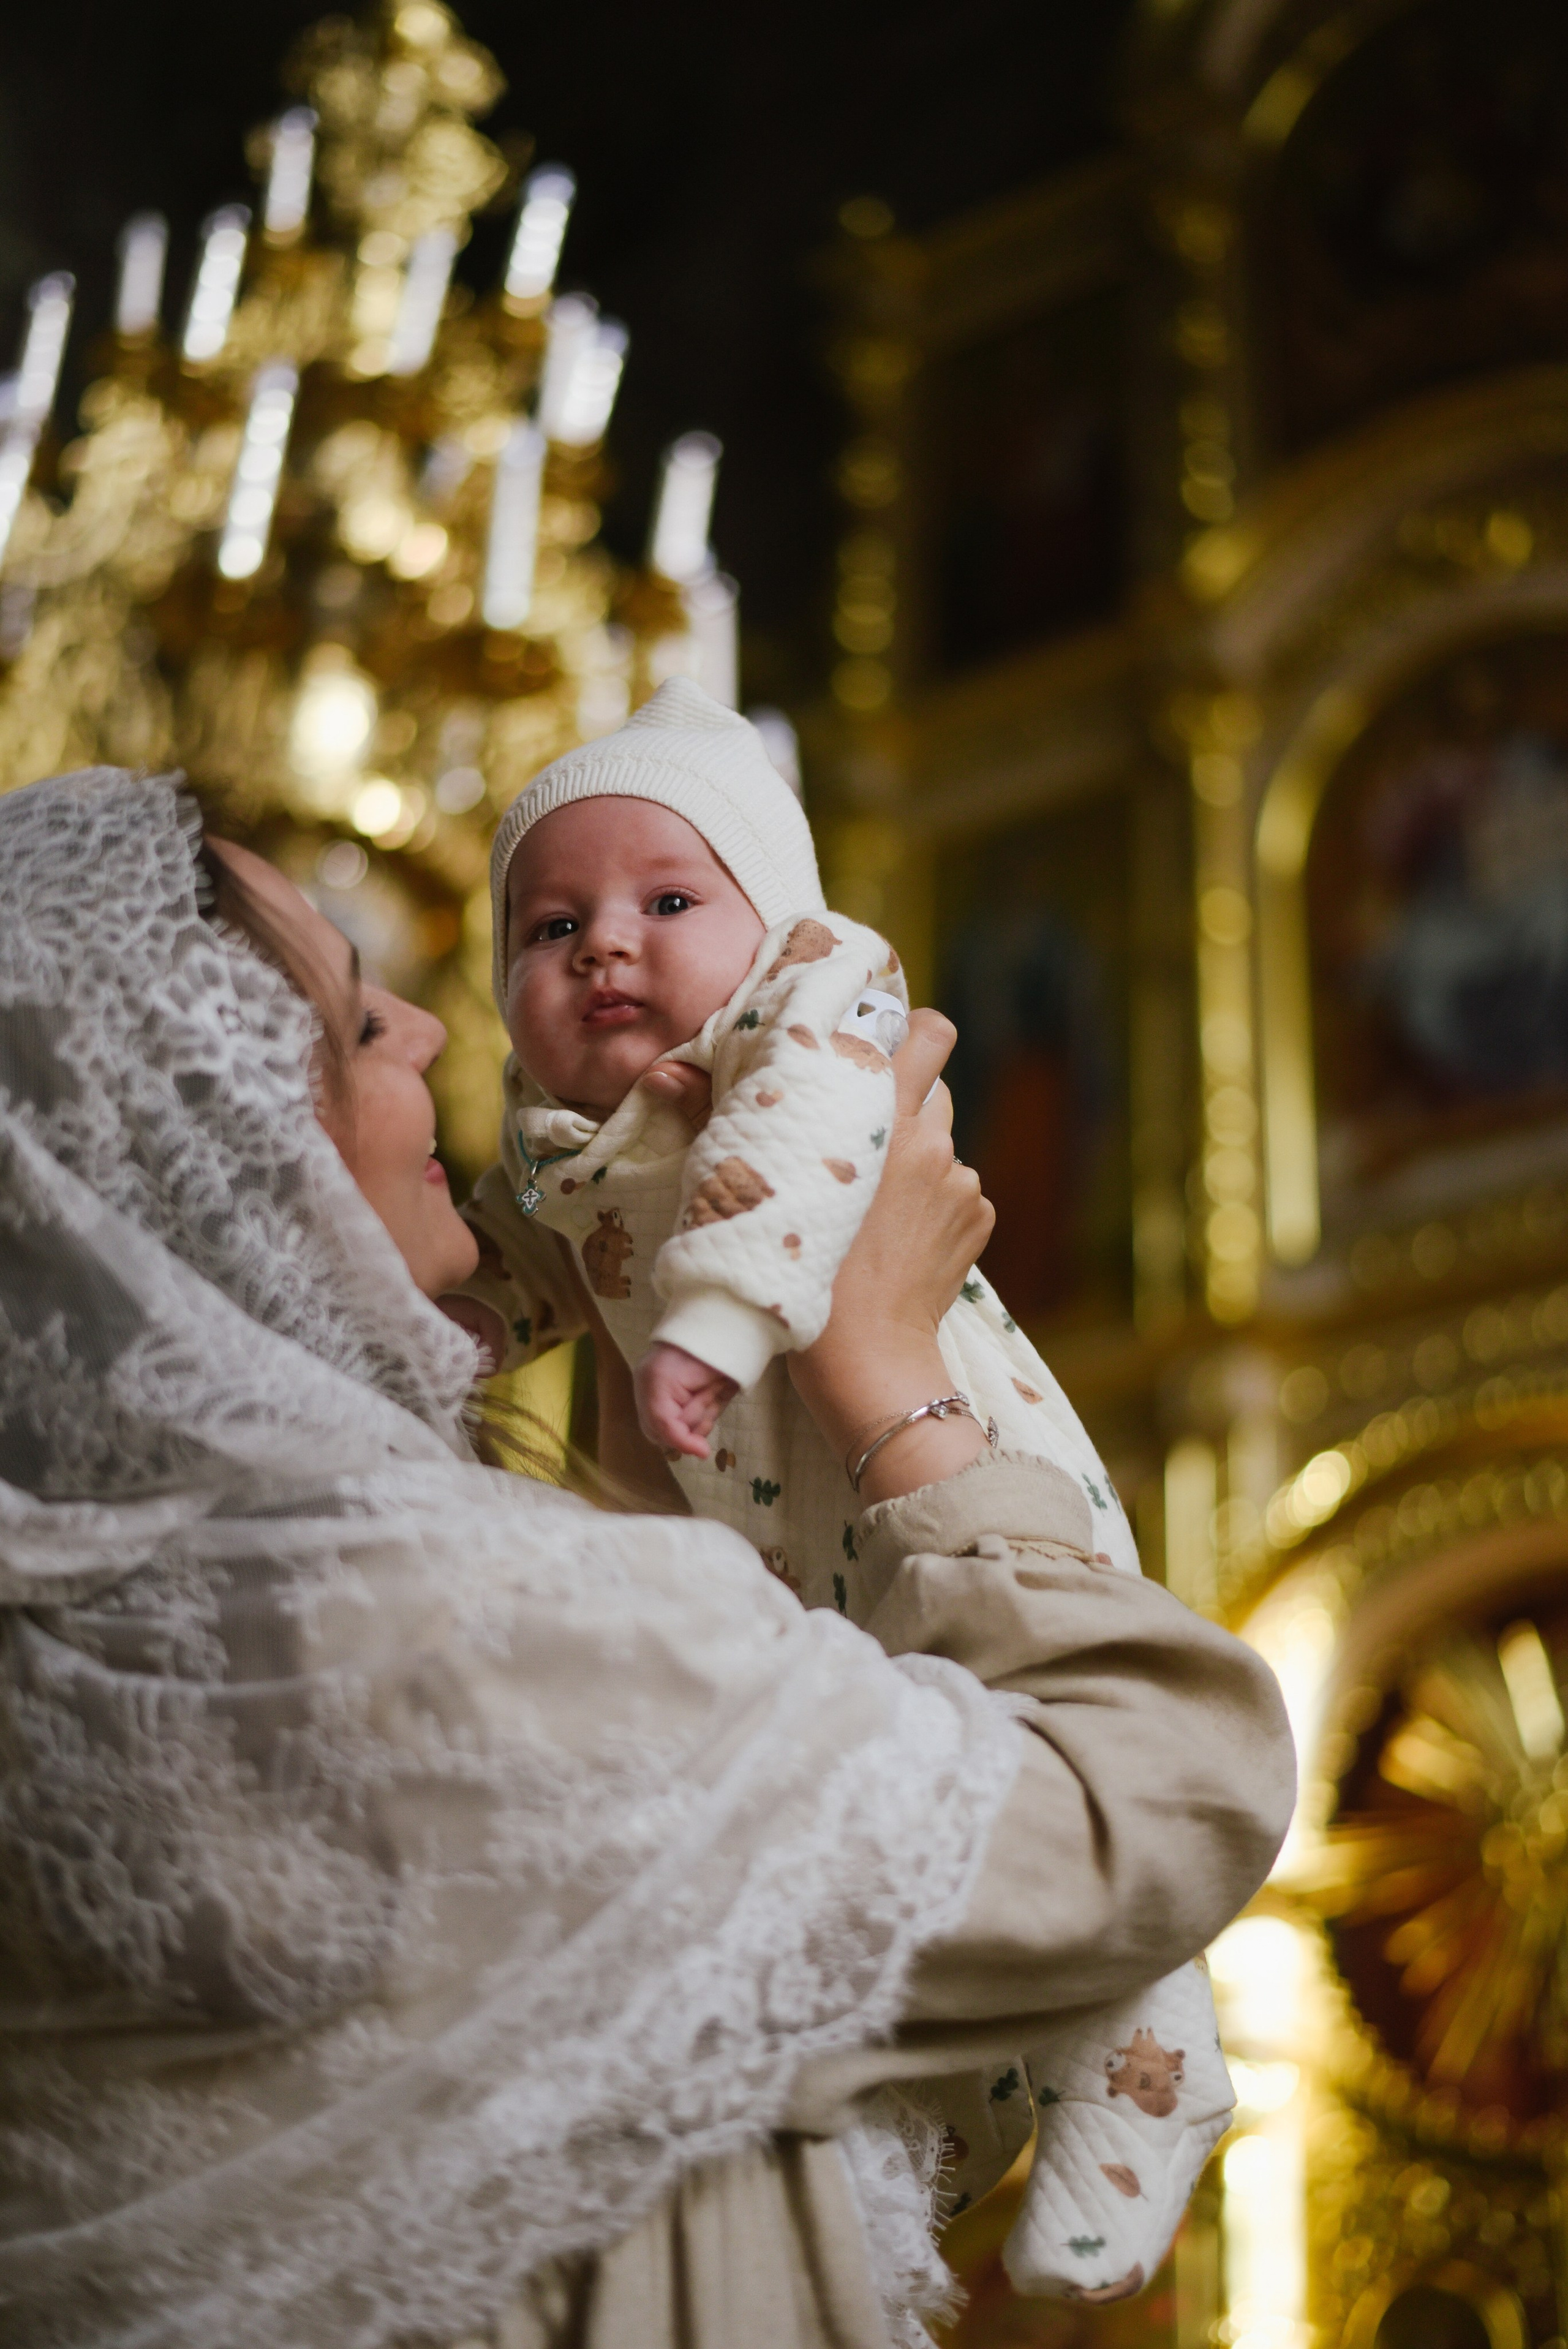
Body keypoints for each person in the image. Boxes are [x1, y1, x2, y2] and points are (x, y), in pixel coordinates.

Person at [0, 766, 1294, 2349]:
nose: (428, 1030)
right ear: (212, 1158)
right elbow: (1153, 1795)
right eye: (353, 1025)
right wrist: (884, 1361)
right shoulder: (435, 1632)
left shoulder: (75, 1650)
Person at [445, 676, 1229, 2287]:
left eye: (668, 900)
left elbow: (803, 1154)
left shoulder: (824, 995)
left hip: (946, 1438)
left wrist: (721, 1317)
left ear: (775, 913)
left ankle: (1151, 2079)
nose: (605, 944)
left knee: (1053, 1728)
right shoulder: (556, 1151)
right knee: (939, 1804)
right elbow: (484, 1293)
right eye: (548, 923)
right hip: (776, 1548)